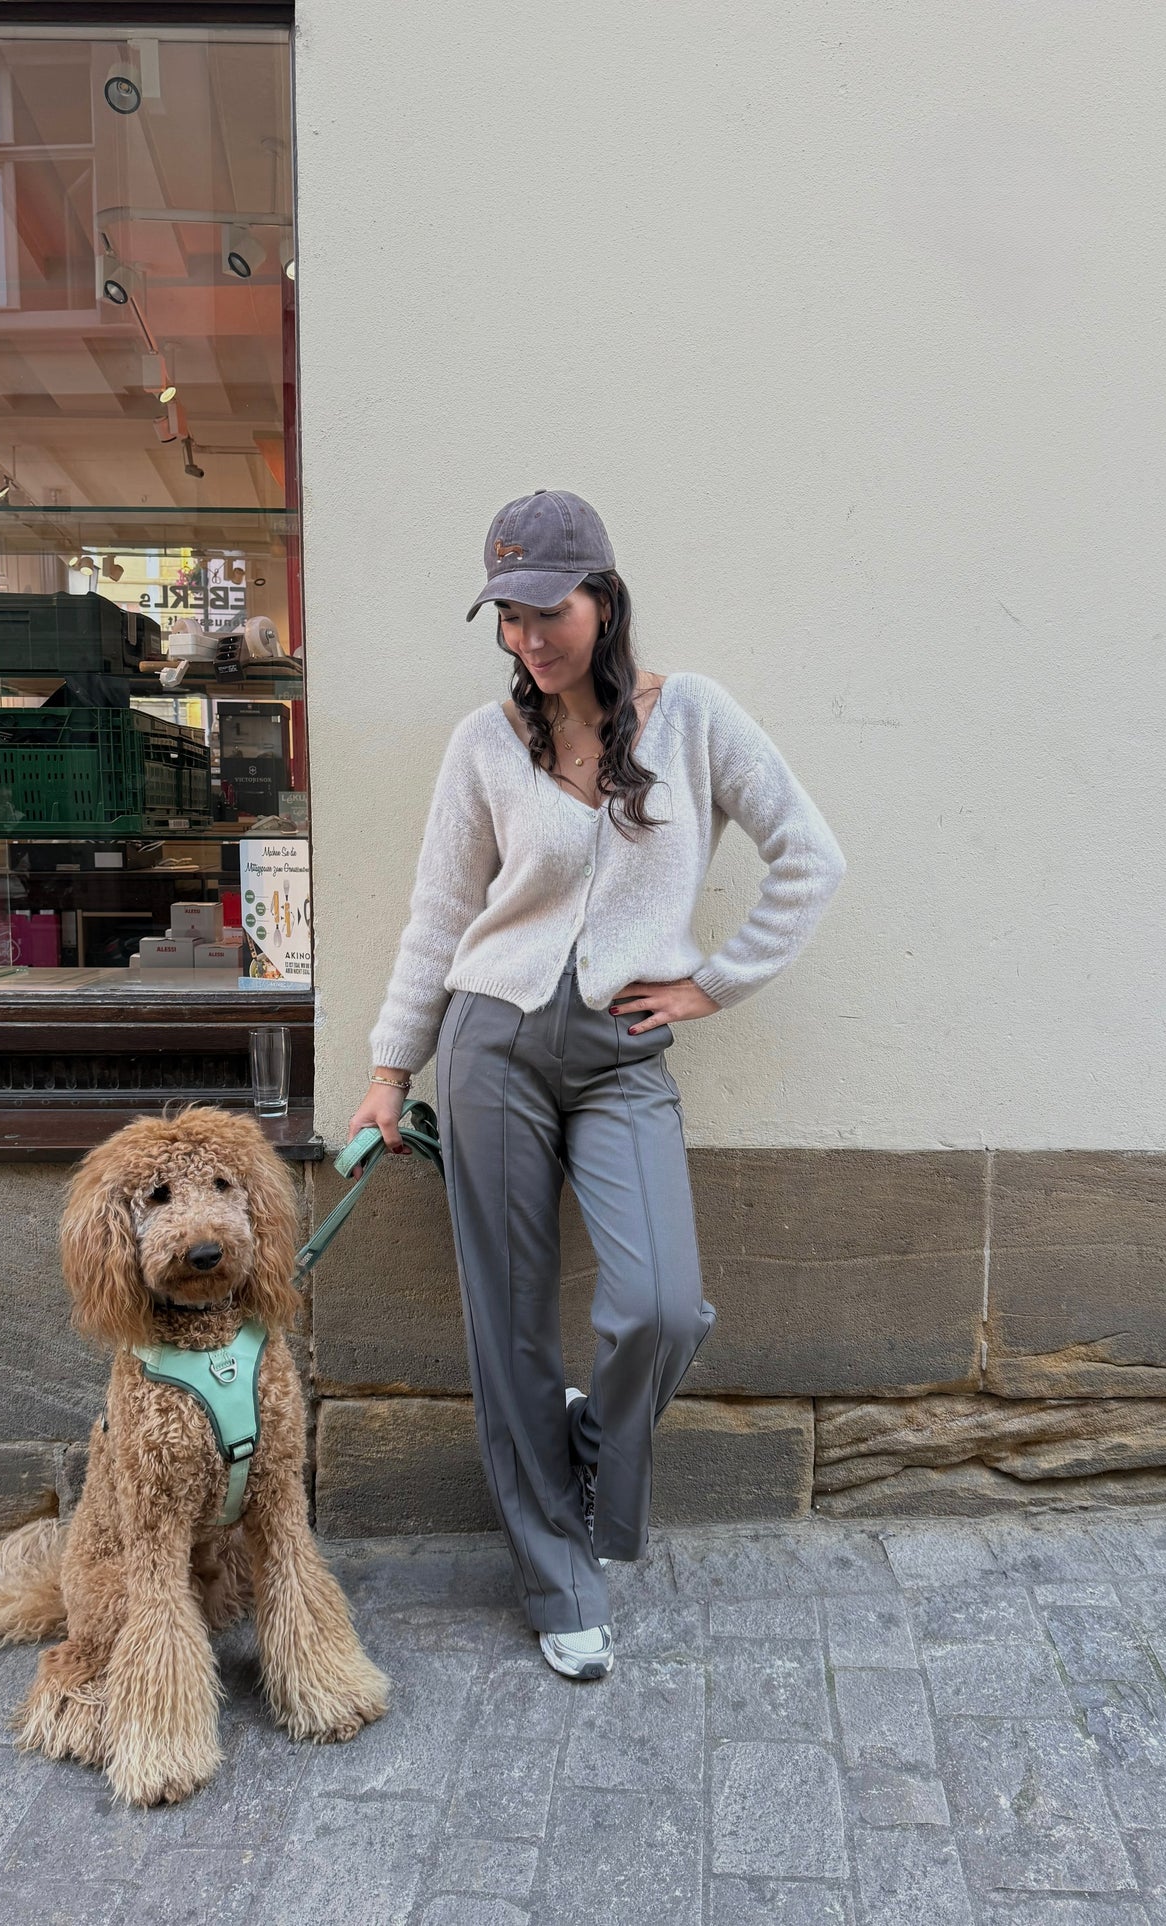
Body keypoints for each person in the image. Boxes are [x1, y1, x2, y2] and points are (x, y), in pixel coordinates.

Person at [346, 488, 847, 1680]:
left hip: (622, 1058)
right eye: (507, 615)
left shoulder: (696, 720)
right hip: (490, 1045)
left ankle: (585, 1457)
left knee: (661, 1306)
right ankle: (555, 1570)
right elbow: (438, 916)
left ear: (603, 599)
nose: (528, 637)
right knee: (506, 1324)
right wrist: (386, 1068)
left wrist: (710, 986)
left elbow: (808, 859)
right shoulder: (483, 744)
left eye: (547, 609)